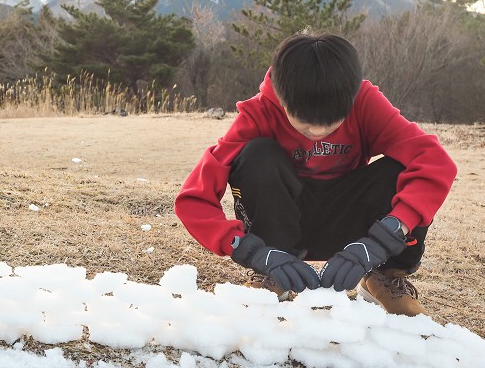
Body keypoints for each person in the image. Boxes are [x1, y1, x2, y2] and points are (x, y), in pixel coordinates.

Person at [174, 32, 457, 316]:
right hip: (283, 227)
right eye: (306, 124)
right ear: (282, 100)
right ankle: (272, 275)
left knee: (404, 167)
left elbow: (435, 162)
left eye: (332, 123)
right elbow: (193, 200)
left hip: (358, 231)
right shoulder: (259, 113)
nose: (319, 133)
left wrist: (385, 239)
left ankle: (384, 276)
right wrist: (252, 251)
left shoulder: (366, 102)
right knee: (256, 156)